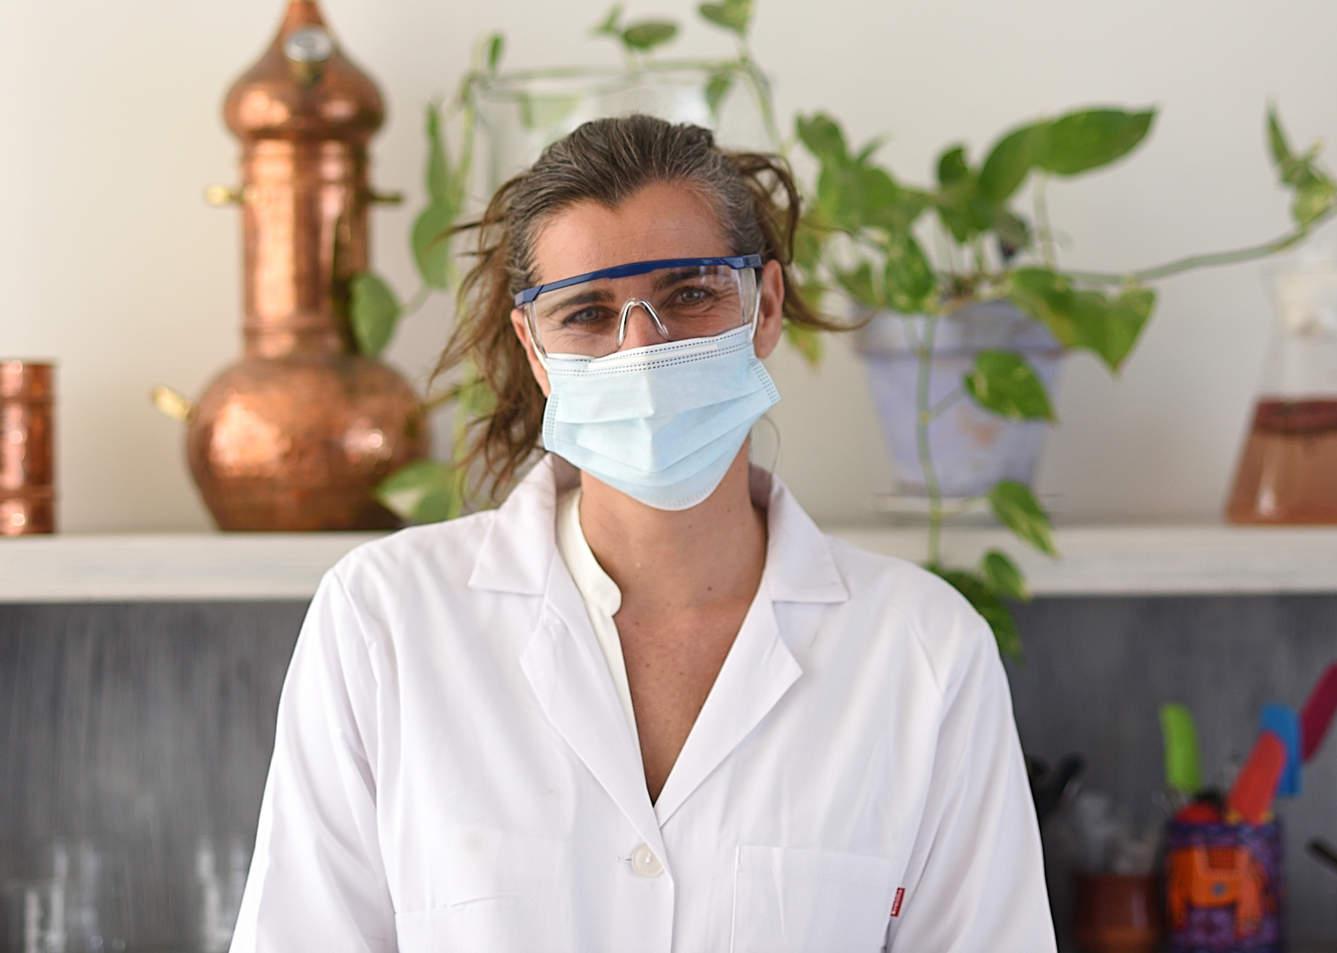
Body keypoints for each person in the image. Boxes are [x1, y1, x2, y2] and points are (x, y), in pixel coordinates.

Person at [230, 115, 1053, 952]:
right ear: (536, 351)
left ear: (763, 308)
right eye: (587, 312)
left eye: (688, 295)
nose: (642, 353)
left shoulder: (923, 649)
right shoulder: (386, 620)